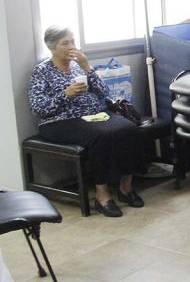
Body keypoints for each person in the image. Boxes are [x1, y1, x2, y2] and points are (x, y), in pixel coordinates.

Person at [28, 26, 146, 218]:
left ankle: (126, 188)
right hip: (59, 121)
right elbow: (38, 108)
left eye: (73, 42)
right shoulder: (41, 71)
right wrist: (66, 94)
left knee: (129, 129)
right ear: (51, 47)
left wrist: (86, 67)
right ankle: (102, 196)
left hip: (93, 114)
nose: (71, 46)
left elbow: (103, 92)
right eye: (65, 43)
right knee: (101, 136)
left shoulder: (77, 66)